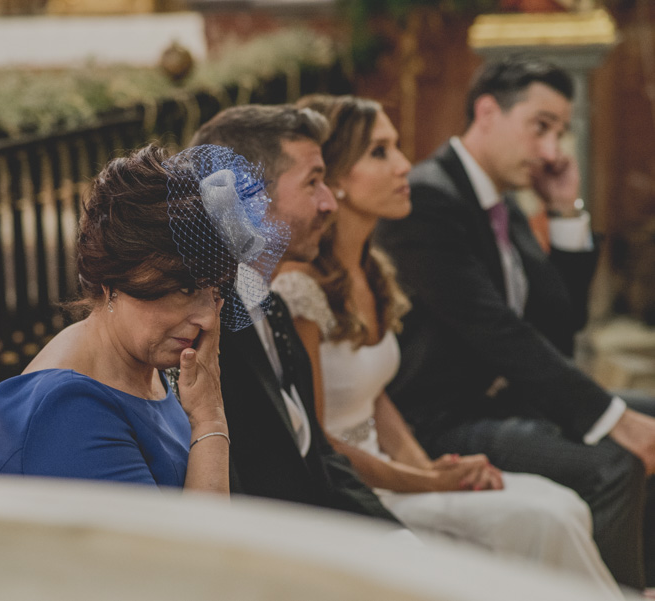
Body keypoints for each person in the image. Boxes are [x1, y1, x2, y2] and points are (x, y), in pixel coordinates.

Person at [270, 93, 621, 597]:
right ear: (335, 179)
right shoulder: (299, 289)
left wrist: (428, 466)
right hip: (355, 492)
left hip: (402, 468)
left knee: (561, 505)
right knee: (542, 517)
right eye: (379, 152)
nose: (404, 165)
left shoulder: (373, 270)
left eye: (396, 148)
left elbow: (375, 396)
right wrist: (425, 481)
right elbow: (320, 441)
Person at [373, 55, 655, 589]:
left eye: (560, 133)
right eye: (540, 127)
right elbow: (498, 331)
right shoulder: (431, 199)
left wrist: (567, 211)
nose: (552, 151)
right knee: (617, 460)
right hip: (440, 419)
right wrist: (610, 418)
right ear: (487, 111)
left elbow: (560, 323)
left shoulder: (501, 201)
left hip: (503, 401)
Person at [0, 143, 288, 494]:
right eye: (185, 289)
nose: (207, 318)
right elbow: (194, 548)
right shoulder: (66, 411)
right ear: (112, 281)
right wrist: (209, 420)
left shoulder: (142, 364)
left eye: (217, 290)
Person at [189, 105, 404, 527]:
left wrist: (398, 539)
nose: (329, 203)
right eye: (313, 183)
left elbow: (320, 460)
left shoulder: (275, 309)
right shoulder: (205, 331)